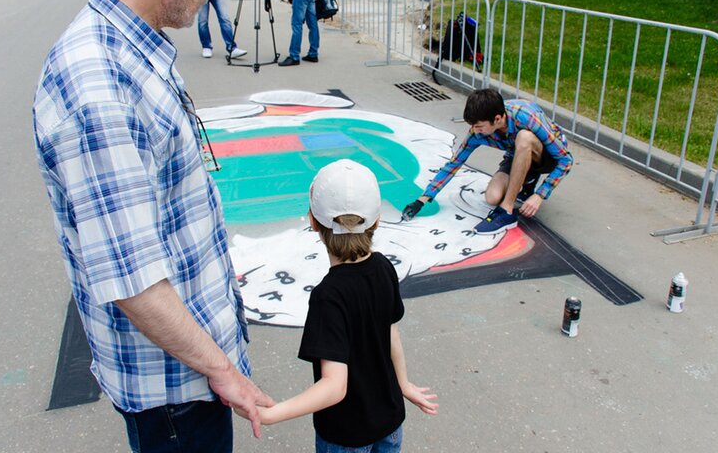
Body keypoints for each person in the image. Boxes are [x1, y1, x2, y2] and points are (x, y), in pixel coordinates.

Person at [32, 0, 273, 451]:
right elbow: (133, 281)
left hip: (184, 371)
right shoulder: (99, 88)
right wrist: (223, 371)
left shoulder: (131, 48)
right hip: (176, 394)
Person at [242, 159, 438, 451]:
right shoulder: (384, 267)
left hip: (347, 434)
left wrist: (270, 414)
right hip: (390, 419)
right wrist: (404, 384)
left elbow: (335, 386)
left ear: (312, 221)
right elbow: (390, 334)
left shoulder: (328, 296)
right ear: (377, 220)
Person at [402, 88, 573, 235]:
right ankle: (528, 180)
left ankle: (507, 211)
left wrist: (541, 194)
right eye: (474, 126)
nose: (476, 131)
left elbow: (565, 160)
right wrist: (423, 199)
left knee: (524, 138)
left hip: (546, 156)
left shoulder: (525, 118)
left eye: (480, 126)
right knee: (492, 197)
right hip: (518, 155)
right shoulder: (478, 130)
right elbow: (454, 163)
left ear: (497, 119)